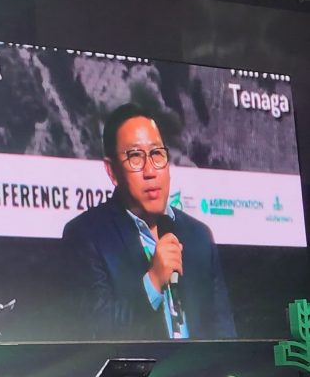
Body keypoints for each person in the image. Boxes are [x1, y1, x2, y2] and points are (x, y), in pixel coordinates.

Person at [61, 103, 236, 340]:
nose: (150, 170)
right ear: (112, 172)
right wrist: (152, 282)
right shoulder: (86, 236)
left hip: (199, 374)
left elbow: (224, 333)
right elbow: (95, 333)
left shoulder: (198, 236)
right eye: (135, 157)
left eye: (156, 154)